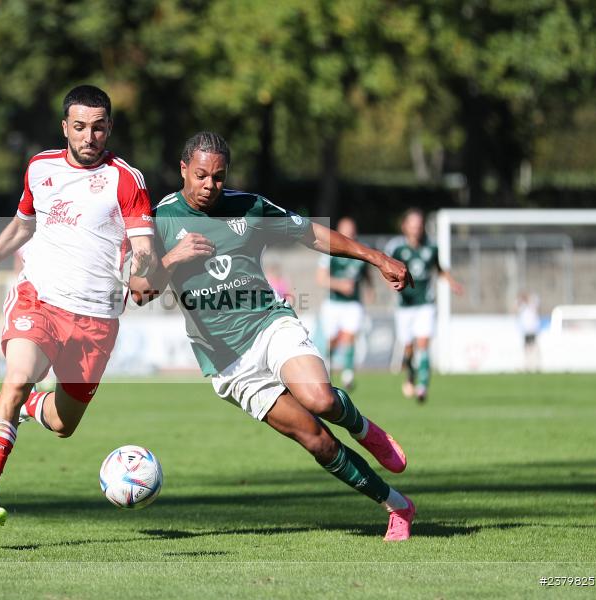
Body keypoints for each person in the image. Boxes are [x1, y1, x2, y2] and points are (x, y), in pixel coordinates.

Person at [130, 132, 418, 541]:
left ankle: (364, 429)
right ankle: (397, 506)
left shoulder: (249, 206)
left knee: (319, 398)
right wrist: (174, 256)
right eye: (201, 175)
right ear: (183, 169)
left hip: (269, 324)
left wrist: (377, 258)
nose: (210, 185)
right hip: (227, 362)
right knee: (317, 441)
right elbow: (139, 292)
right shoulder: (159, 220)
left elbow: (312, 234)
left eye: (218, 176)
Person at [0, 85, 155, 531]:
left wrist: (142, 272)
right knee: (17, 379)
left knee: (62, 424)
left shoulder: (126, 179)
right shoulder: (40, 167)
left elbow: (142, 246)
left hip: (96, 319)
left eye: (98, 128)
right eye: (79, 127)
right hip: (38, 299)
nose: (89, 137)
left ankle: (27, 405)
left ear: (109, 128)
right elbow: (22, 227)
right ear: (65, 127)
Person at [385, 208, 463, 404]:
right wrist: (390, 284)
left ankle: (422, 386)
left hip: (425, 304)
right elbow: (386, 270)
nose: (416, 229)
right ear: (404, 227)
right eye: (412, 226)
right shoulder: (396, 248)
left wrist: (452, 283)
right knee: (408, 347)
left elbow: (440, 270)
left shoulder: (432, 247)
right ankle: (411, 374)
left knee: (423, 343)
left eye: (419, 226)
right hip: (404, 305)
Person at [316, 217, 370, 389]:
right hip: (334, 303)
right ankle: (328, 365)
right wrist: (340, 285)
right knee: (332, 340)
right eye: (346, 231)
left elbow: (366, 273)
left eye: (352, 231)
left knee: (349, 337)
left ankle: (348, 374)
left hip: (353, 304)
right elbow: (320, 278)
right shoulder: (329, 251)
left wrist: (370, 290)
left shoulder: (361, 251)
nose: (349, 235)